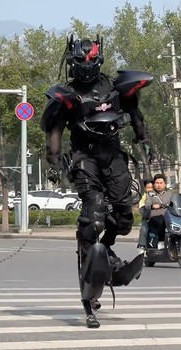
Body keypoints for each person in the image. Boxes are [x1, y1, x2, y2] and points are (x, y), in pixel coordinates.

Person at [41, 35, 153, 328]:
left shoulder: (116, 88)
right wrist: (55, 160)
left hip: (114, 158)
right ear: (72, 62)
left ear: (99, 59)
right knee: (94, 215)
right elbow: (54, 130)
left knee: (124, 219)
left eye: (91, 60)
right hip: (85, 159)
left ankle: (104, 253)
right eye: (81, 61)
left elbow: (136, 116)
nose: (87, 66)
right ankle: (90, 263)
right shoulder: (67, 95)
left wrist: (145, 141)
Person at [144, 174, 171, 249]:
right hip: (154, 218)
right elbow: (147, 205)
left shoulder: (169, 194)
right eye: (157, 183)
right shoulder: (150, 194)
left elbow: (173, 204)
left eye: (161, 183)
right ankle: (161, 241)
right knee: (161, 220)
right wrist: (153, 206)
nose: (159, 185)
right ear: (154, 184)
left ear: (165, 184)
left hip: (168, 217)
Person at [137, 179, 154, 251]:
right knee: (144, 228)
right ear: (145, 188)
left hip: (160, 217)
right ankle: (142, 245)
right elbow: (142, 208)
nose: (150, 189)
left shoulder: (158, 195)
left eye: (152, 187)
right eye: (148, 187)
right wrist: (148, 215)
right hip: (148, 218)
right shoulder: (144, 197)